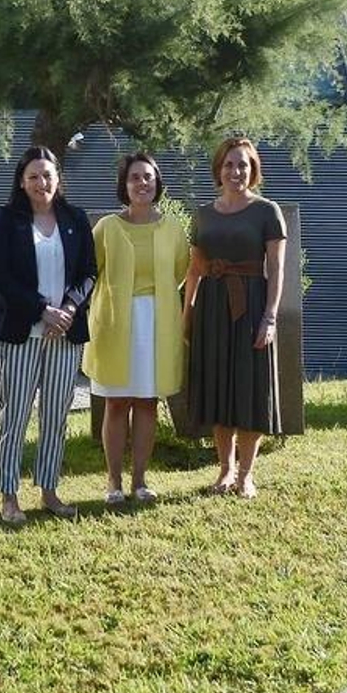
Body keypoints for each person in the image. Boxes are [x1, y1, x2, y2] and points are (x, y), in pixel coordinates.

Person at [0, 145, 97, 524]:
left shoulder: (75, 218)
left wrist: (67, 308)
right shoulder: (6, 220)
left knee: (56, 414)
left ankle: (49, 490)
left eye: (48, 175)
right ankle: (9, 495)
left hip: (65, 334)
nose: (41, 182)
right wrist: (41, 310)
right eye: (33, 176)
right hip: (23, 332)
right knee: (14, 414)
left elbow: (88, 273)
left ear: (58, 179)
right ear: (22, 181)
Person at [82, 152, 190, 507]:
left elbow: (180, 272)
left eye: (148, 177)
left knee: (147, 402)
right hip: (115, 324)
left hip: (157, 323)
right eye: (135, 178)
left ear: (157, 183)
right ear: (124, 185)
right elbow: (88, 272)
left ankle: (140, 480)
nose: (142, 183)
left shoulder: (173, 229)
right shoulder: (107, 228)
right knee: (116, 402)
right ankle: (113, 481)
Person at [183, 136, 288, 500]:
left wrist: (270, 318)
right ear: (219, 169)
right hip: (212, 307)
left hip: (251, 306)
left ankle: (246, 475)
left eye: (242, 164)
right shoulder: (203, 214)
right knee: (217, 388)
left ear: (253, 170)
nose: (235, 171)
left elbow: (275, 270)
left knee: (248, 387)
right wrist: (188, 315)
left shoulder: (266, 211)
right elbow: (194, 269)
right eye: (229, 164)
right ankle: (224, 471)